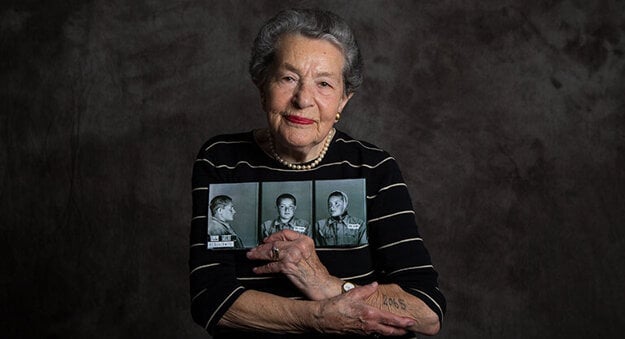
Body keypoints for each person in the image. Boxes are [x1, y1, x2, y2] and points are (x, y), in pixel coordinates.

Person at [189, 8, 445, 338]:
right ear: (263, 84)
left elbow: (426, 311)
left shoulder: (374, 169)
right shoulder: (222, 161)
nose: (303, 99)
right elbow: (210, 299)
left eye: (324, 83)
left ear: (343, 100)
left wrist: (324, 283)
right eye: (288, 78)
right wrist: (318, 317)